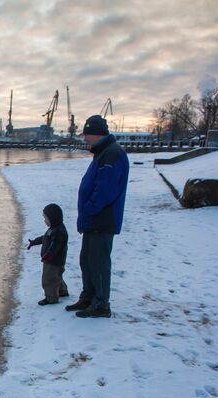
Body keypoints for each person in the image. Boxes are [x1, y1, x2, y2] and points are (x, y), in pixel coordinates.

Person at [65, 115, 129, 318]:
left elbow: (105, 191)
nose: (85, 138)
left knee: (99, 262)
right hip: (93, 219)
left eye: (87, 134)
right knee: (87, 259)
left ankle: (101, 304)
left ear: (96, 133)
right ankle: (89, 296)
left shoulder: (112, 155)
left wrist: (90, 209)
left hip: (102, 219)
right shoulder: (103, 153)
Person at [27, 203, 69, 305]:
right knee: (57, 276)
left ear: (53, 218)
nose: (44, 221)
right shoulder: (54, 229)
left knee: (49, 279)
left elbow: (55, 246)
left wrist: (48, 256)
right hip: (54, 261)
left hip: (53, 261)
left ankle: (51, 298)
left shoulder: (59, 232)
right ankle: (62, 291)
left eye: (46, 219)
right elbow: (44, 238)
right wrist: (34, 242)